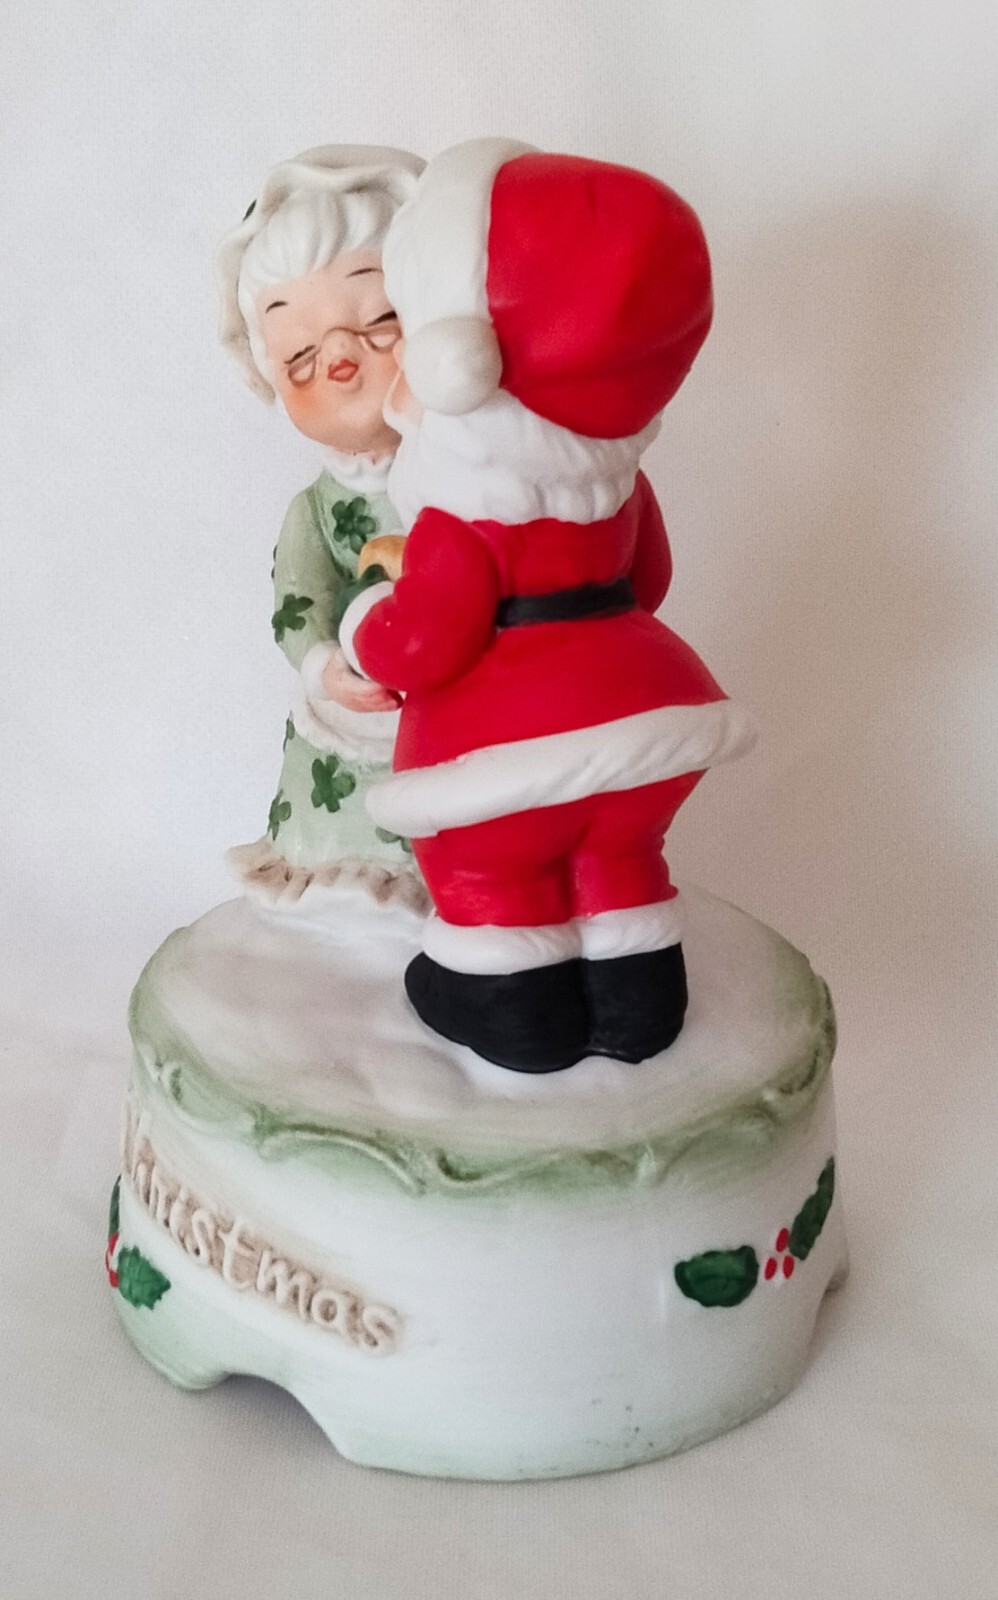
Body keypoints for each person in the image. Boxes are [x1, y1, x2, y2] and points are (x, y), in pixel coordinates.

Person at [343, 140, 756, 1070]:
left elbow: (425, 644)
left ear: (461, 357)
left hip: (505, 754)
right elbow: (650, 582)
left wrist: (365, 620)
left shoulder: (461, 510)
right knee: (621, 859)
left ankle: (511, 1010)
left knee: (494, 873)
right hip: (648, 720)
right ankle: (641, 1002)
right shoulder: (616, 482)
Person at [216, 144, 428, 916]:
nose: (338, 357)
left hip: (474, 716)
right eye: (300, 354)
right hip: (360, 715)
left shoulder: (482, 479)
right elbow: (297, 603)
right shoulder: (314, 511)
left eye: (378, 321)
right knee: (348, 900)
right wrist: (325, 667)